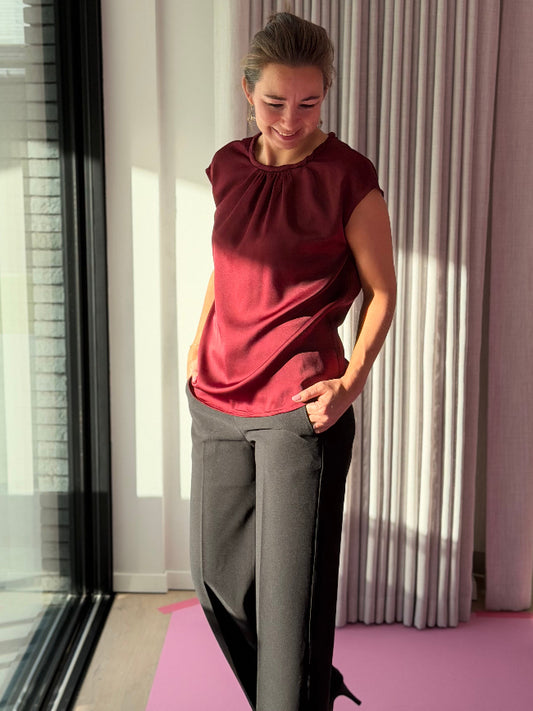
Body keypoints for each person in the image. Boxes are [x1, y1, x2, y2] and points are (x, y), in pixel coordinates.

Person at [186, 12, 396, 711]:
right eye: (274, 101)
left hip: (297, 413)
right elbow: (229, 262)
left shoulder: (348, 177)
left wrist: (350, 383)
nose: (290, 119)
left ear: (326, 93)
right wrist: (197, 340)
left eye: (309, 102)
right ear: (247, 90)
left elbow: (382, 290)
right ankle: (310, 687)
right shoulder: (226, 165)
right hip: (215, 400)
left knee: (289, 618)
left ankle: (298, 689)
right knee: (217, 581)